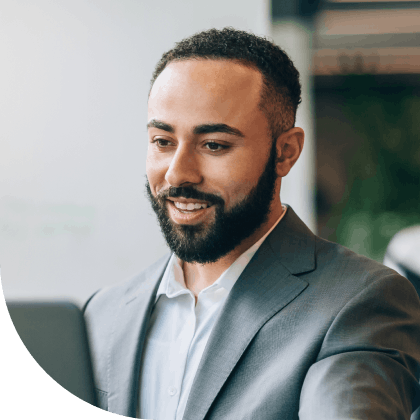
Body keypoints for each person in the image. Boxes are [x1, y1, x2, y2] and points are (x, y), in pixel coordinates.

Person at [84, 28, 420, 419]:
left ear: (286, 152)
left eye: (214, 145)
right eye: (163, 141)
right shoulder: (102, 313)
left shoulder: (360, 303)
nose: (178, 174)